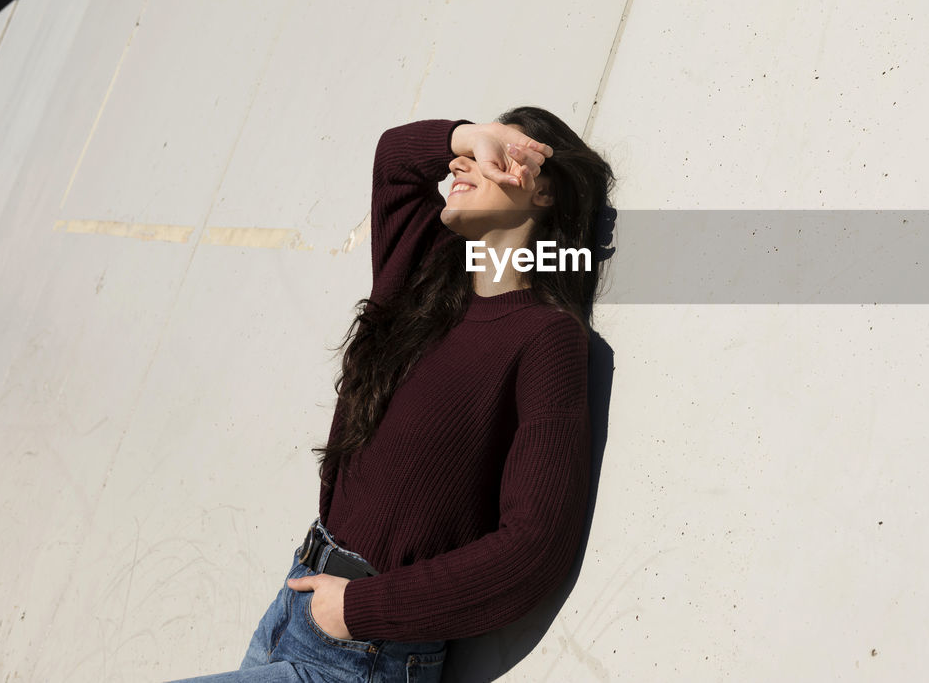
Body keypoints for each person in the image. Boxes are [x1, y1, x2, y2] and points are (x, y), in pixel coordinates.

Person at [169, 107, 615, 683]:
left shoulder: (545, 338)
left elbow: (536, 546)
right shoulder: (424, 275)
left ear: (547, 194)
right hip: (294, 607)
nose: (464, 160)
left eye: (502, 153)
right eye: (470, 148)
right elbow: (396, 161)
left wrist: (358, 610)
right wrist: (473, 135)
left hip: (366, 655)